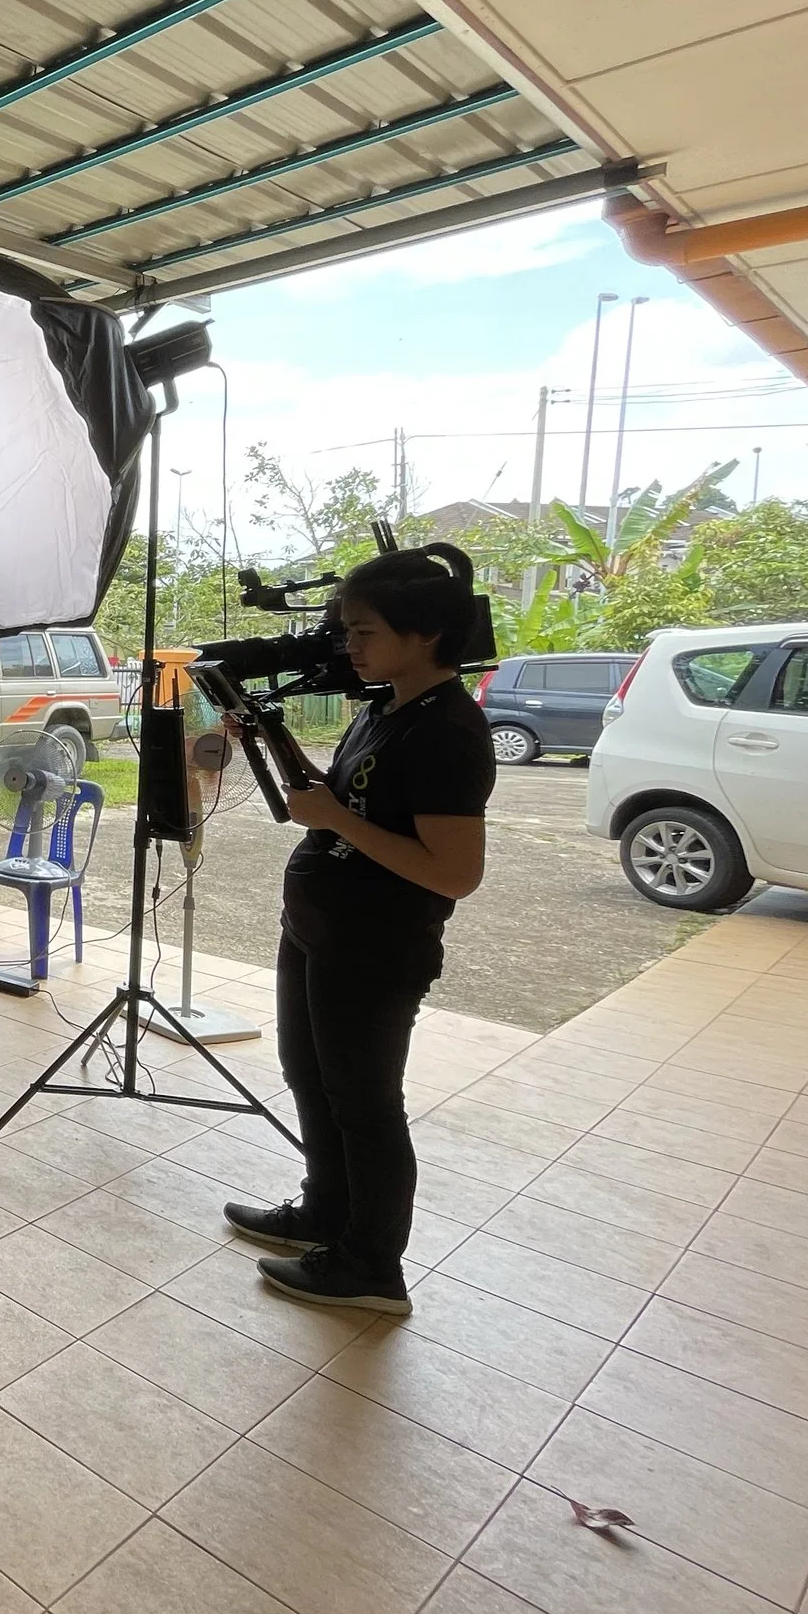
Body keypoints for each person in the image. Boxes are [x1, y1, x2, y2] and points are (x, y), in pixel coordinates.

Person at [225, 546, 495, 1314]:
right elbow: (356, 806)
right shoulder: (387, 707)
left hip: (377, 945)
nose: (350, 646)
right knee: (310, 1076)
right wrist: (281, 758)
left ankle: (373, 1264)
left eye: (365, 631)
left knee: (366, 1101)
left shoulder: (446, 730)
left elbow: (454, 871)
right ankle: (326, 1212)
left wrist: (335, 817)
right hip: (321, 926)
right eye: (347, 629)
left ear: (427, 634)